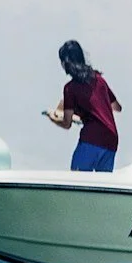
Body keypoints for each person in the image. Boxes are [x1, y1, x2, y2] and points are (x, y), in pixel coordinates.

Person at [46, 40, 121, 172]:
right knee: (101, 186)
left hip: (91, 139)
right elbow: (117, 107)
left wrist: (52, 117)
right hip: (111, 140)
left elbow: (66, 123)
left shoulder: (70, 88)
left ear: (65, 63)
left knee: (77, 179)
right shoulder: (99, 80)